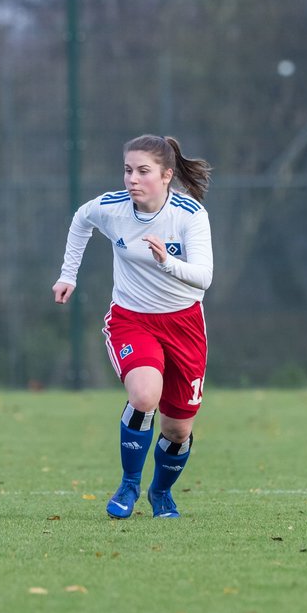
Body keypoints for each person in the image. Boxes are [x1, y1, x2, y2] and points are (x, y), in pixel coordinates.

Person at [53, 135, 214, 518]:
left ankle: (161, 493)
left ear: (167, 176)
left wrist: (167, 263)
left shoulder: (189, 214)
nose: (132, 179)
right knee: (144, 396)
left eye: (143, 171)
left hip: (184, 325)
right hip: (132, 319)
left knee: (178, 431)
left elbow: (204, 277)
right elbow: (81, 220)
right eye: (128, 170)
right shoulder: (112, 208)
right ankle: (128, 485)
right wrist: (67, 275)